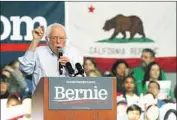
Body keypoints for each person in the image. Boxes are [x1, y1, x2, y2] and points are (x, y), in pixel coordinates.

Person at [18, 23, 83, 91]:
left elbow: (82, 80)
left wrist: (70, 68)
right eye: (54, 38)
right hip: (43, 98)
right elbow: (25, 69)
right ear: (47, 40)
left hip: (68, 98)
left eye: (61, 38)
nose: (58, 41)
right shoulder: (38, 52)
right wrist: (35, 40)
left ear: (66, 40)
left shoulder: (73, 52)